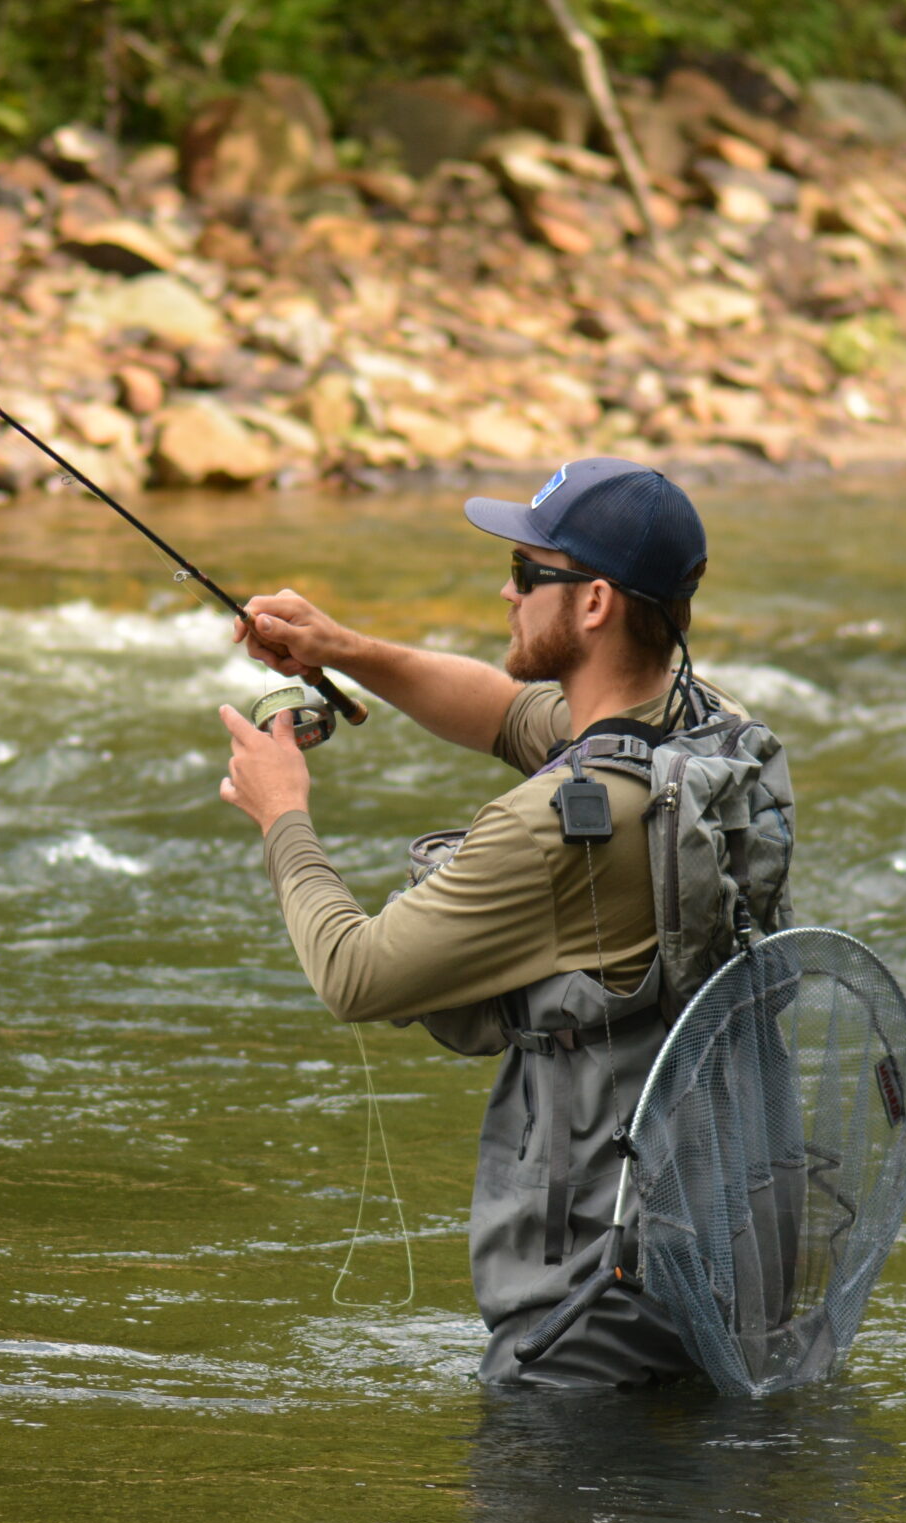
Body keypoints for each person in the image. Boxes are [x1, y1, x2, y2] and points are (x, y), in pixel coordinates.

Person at [214, 457, 781, 1389]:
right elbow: (507, 710)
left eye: (526, 573)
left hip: (584, 1326)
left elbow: (353, 974)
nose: (505, 593)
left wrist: (284, 816)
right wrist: (339, 645)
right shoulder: (713, 739)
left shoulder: (548, 826)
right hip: (725, 1265)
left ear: (593, 602)